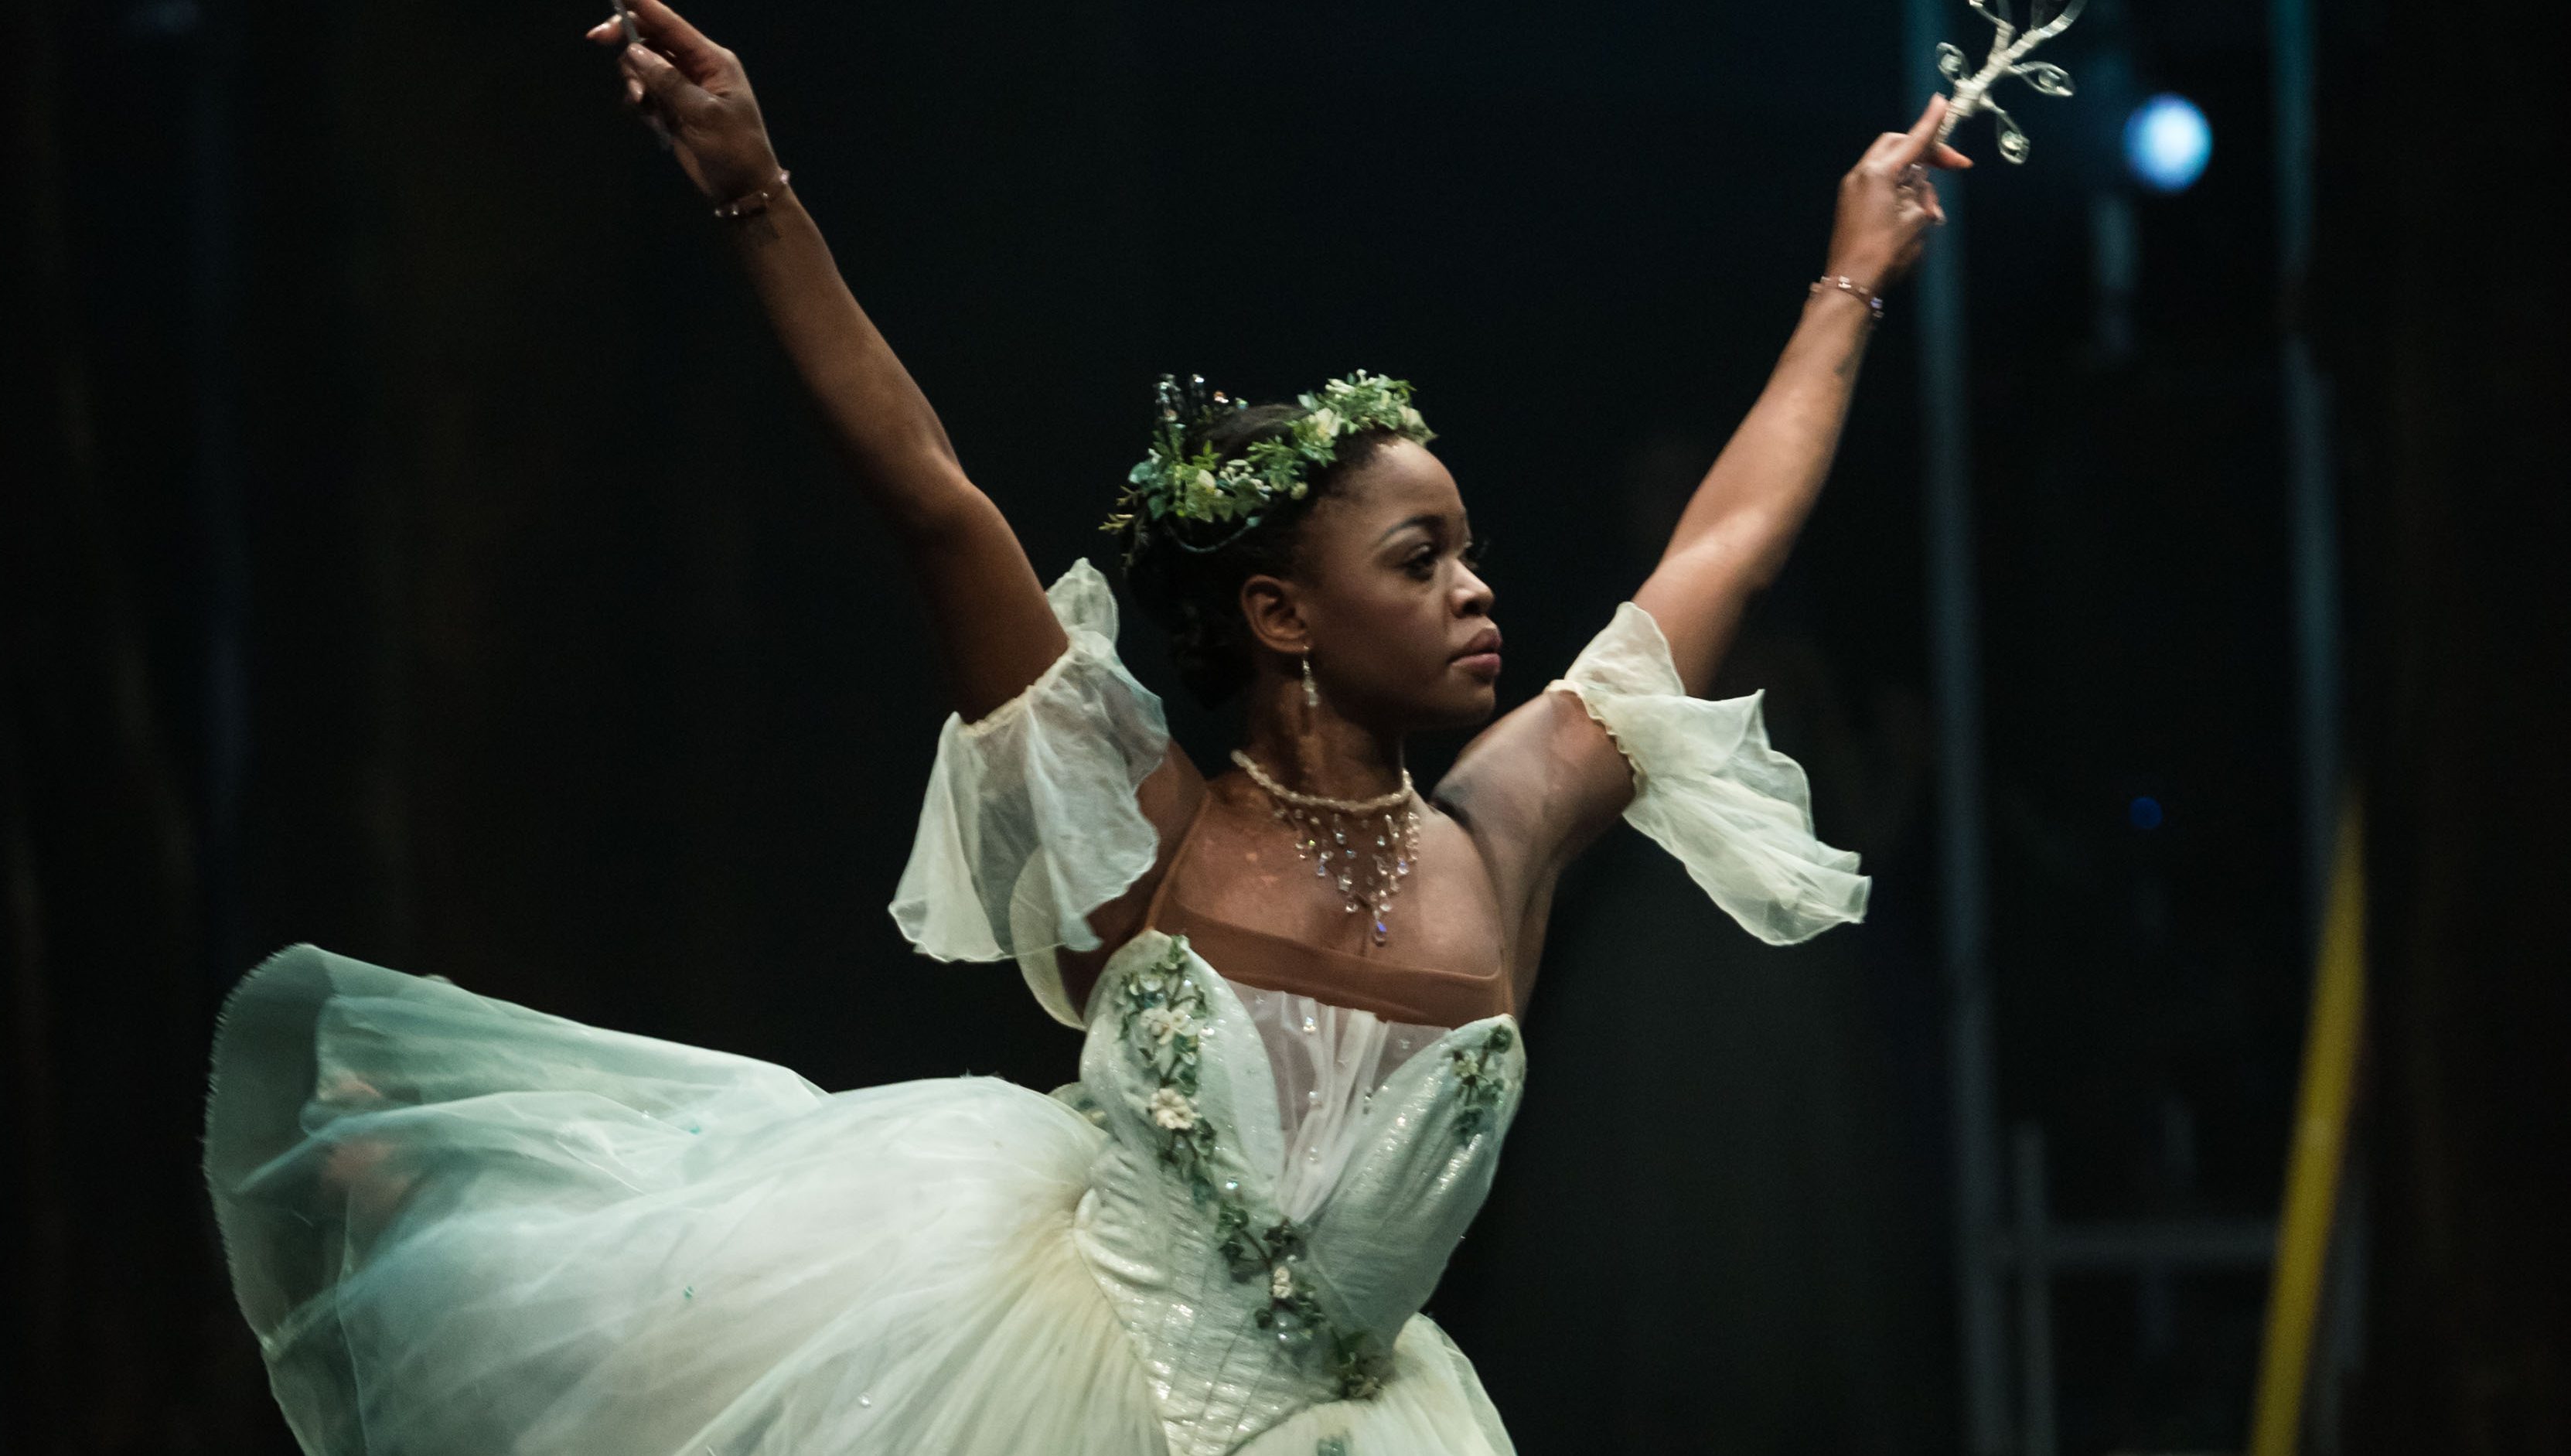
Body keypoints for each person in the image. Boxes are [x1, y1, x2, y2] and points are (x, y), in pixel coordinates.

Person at [202, 2, 1965, 1450]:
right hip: (1056, 1393)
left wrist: (1851, 274)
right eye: (1420, 559)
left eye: (1473, 558)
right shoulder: (1152, 826)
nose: (1475, 592)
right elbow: (930, 500)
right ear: (1281, 616)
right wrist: (758, 196)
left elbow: (1721, 547)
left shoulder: (1505, 831)